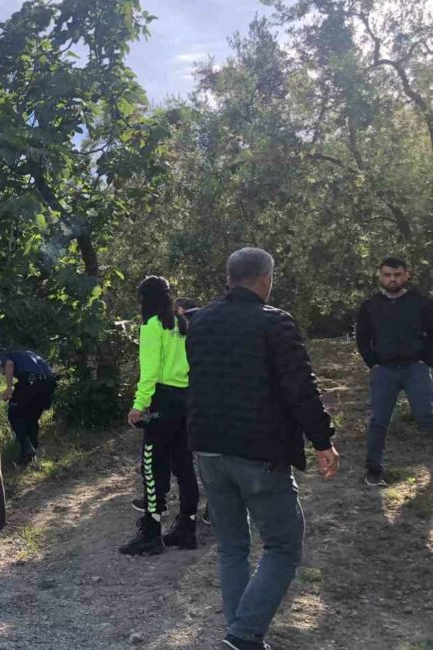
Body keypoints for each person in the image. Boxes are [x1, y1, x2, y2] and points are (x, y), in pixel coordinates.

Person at [187, 247, 340, 650]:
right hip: (260, 452)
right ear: (266, 279)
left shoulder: (198, 322)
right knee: (284, 545)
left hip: (209, 451)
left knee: (232, 548)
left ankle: (243, 638)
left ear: (228, 277)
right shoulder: (275, 324)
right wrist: (322, 441)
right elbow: (300, 389)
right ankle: (242, 635)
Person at [120, 276, 199, 556]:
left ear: (144, 300)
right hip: (186, 398)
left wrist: (139, 405)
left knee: (152, 465)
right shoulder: (182, 323)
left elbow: (150, 371)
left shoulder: (152, 326)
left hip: (161, 400)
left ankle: (151, 533)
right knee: (184, 465)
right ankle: (187, 529)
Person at [355, 257, 433, 487]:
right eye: (387, 275)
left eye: (397, 274)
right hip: (384, 371)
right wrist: (373, 363)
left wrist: (425, 361)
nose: (392, 279)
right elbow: (362, 338)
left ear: (406, 275)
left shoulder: (421, 303)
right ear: (380, 275)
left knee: (427, 417)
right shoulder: (370, 305)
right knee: (379, 422)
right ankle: (373, 471)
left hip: (414, 369)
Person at [0, 350, 56, 465]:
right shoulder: (27, 355)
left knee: (14, 413)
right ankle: (31, 451)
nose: (3, 374)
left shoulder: (3, 357)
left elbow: (9, 364)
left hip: (32, 381)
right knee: (32, 417)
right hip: (49, 383)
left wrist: (9, 387)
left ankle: (26, 448)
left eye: (0, 371)